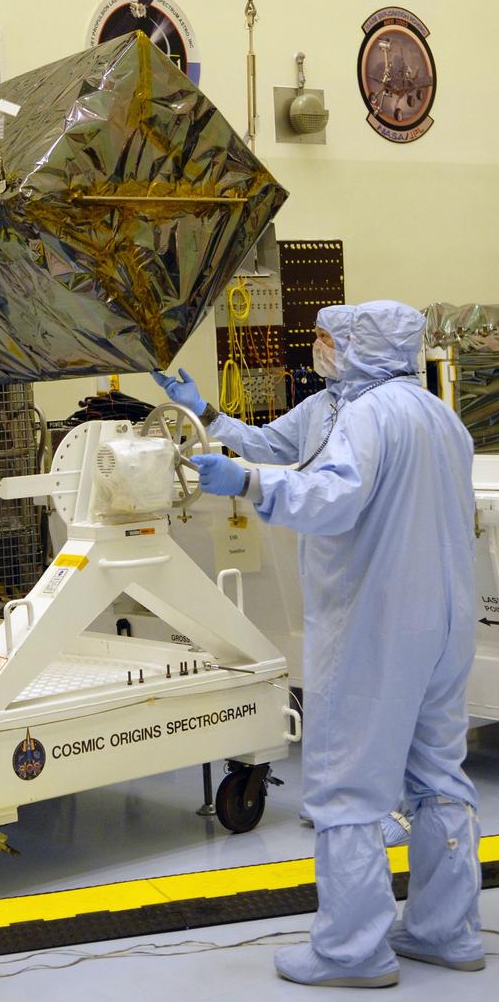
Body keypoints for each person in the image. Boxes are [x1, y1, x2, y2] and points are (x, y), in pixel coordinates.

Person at [153, 301, 483, 987]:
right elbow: (279, 445)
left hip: (375, 619)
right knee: (438, 778)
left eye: (328, 339)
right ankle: (447, 932)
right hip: (443, 620)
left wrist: (246, 484)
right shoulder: (432, 415)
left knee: (346, 786)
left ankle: (351, 952)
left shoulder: (367, 416)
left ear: (363, 345)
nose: (318, 348)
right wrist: (210, 419)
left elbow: (330, 498)